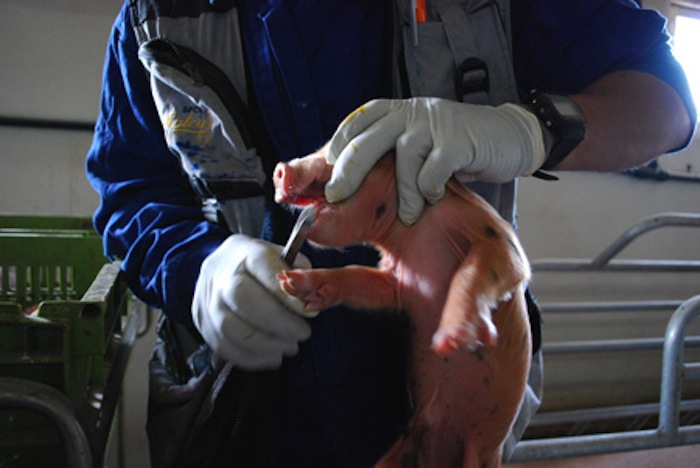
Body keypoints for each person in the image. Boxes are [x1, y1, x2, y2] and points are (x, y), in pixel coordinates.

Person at [86, 0, 696, 466]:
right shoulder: (154, 14)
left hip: (447, 411)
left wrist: (530, 129)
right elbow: (127, 193)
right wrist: (199, 272)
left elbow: (663, 101)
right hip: (229, 420)